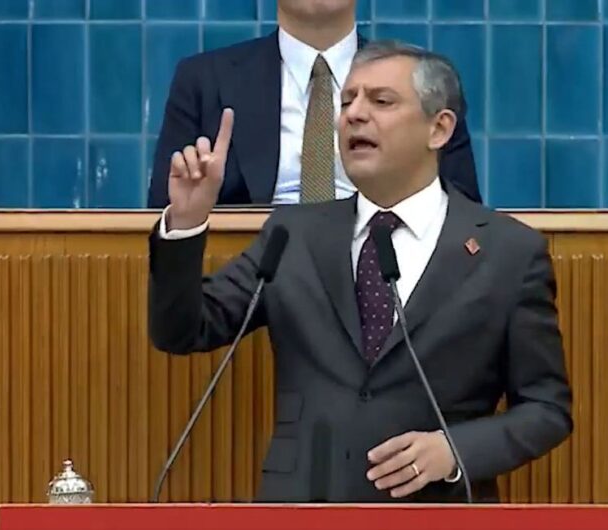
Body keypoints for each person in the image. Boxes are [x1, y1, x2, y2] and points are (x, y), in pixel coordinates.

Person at [148, 42, 571, 503]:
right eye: (347, 101)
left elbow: (546, 408)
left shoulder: (508, 253)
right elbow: (181, 331)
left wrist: (454, 451)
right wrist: (186, 223)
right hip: (303, 508)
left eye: (381, 101)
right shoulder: (294, 235)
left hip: (436, 509)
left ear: (439, 128)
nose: (354, 114)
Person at [147, 0, 482, 208]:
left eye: (380, 101)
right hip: (249, 271)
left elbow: (465, 217)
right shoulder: (204, 80)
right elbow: (164, 219)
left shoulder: (424, 79)